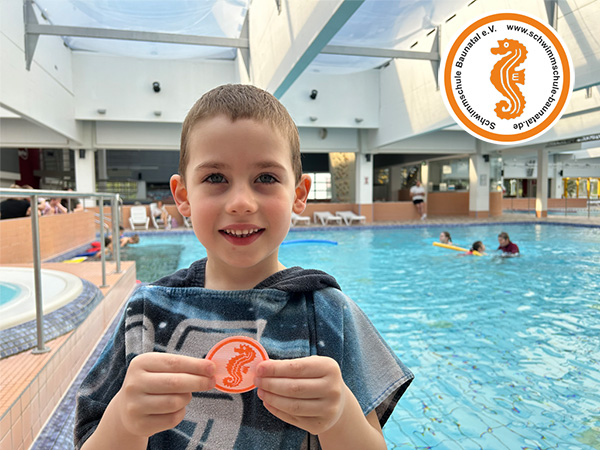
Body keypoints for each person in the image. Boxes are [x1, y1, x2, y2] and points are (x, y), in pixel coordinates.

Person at [74, 84, 413, 450]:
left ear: (299, 194)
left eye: (266, 178)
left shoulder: (328, 312)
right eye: (215, 178)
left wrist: (341, 414)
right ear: (183, 196)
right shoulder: (147, 312)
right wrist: (123, 421)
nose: (241, 202)